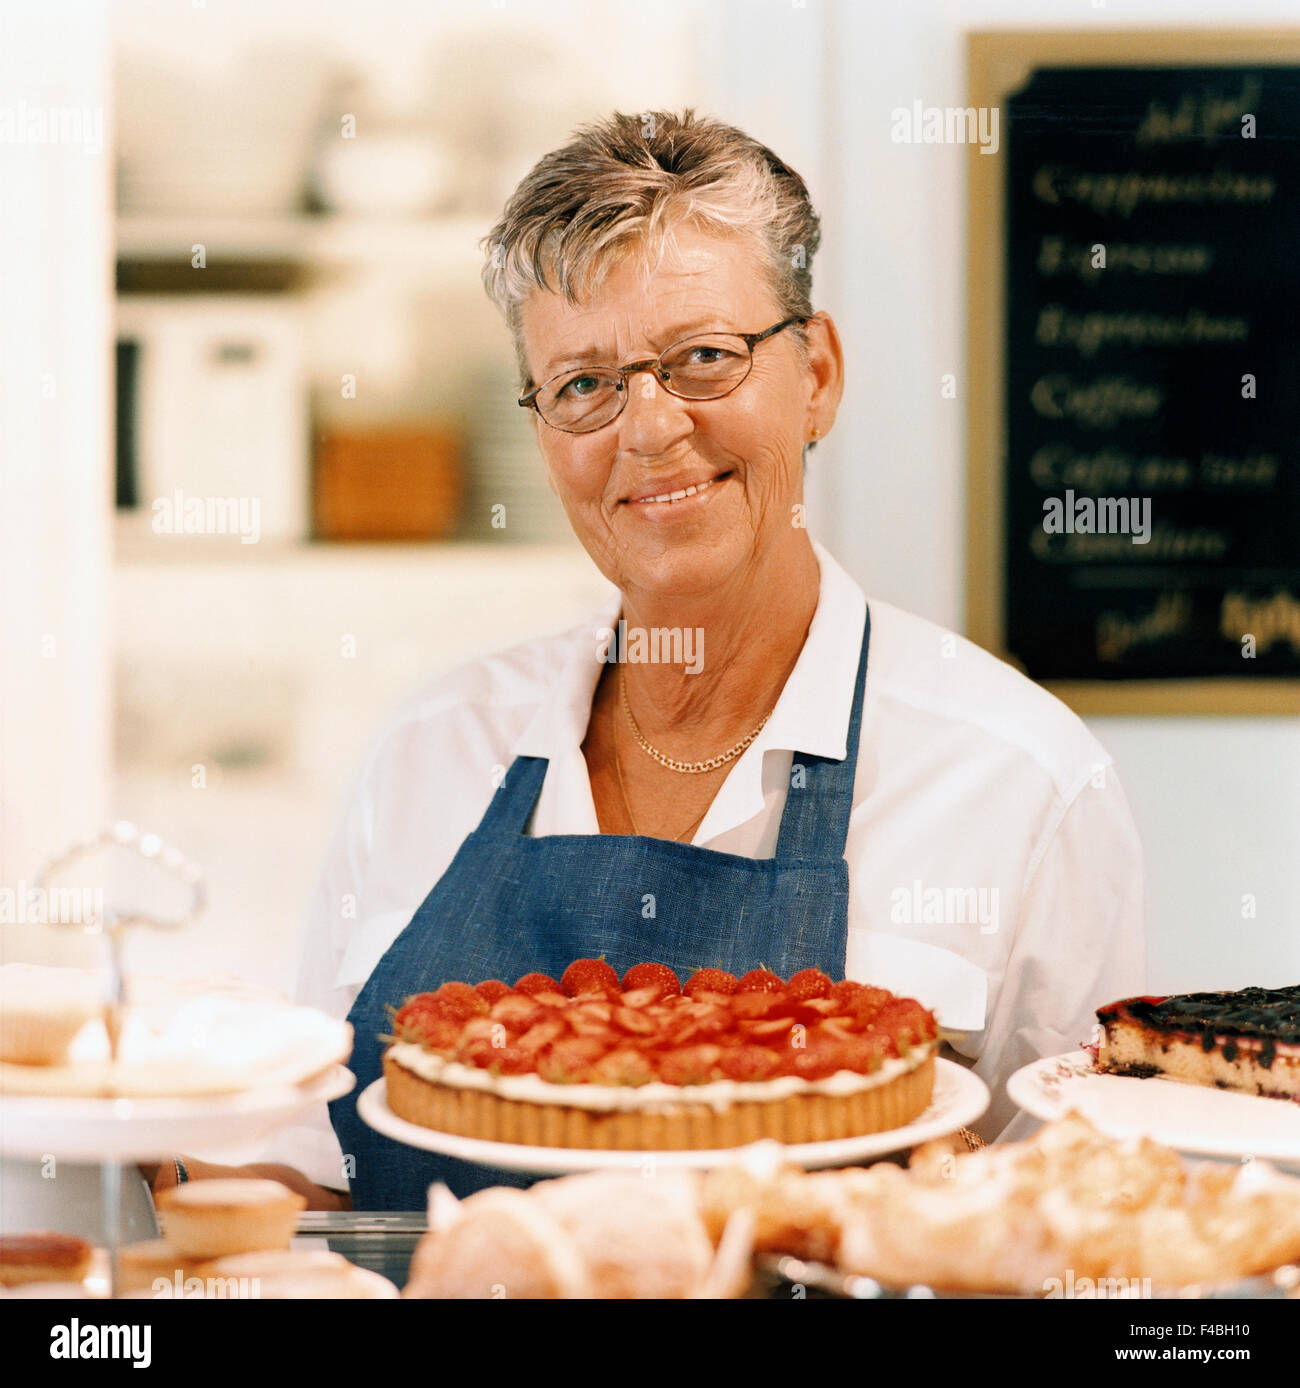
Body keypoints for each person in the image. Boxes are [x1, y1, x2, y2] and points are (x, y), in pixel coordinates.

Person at [151, 109, 1144, 1211]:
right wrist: (159, 1146)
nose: (649, 427)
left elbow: (1083, 1229)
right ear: (539, 429)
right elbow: (325, 1190)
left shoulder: (1022, 782)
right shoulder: (431, 750)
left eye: (703, 359)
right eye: (583, 383)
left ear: (815, 372)